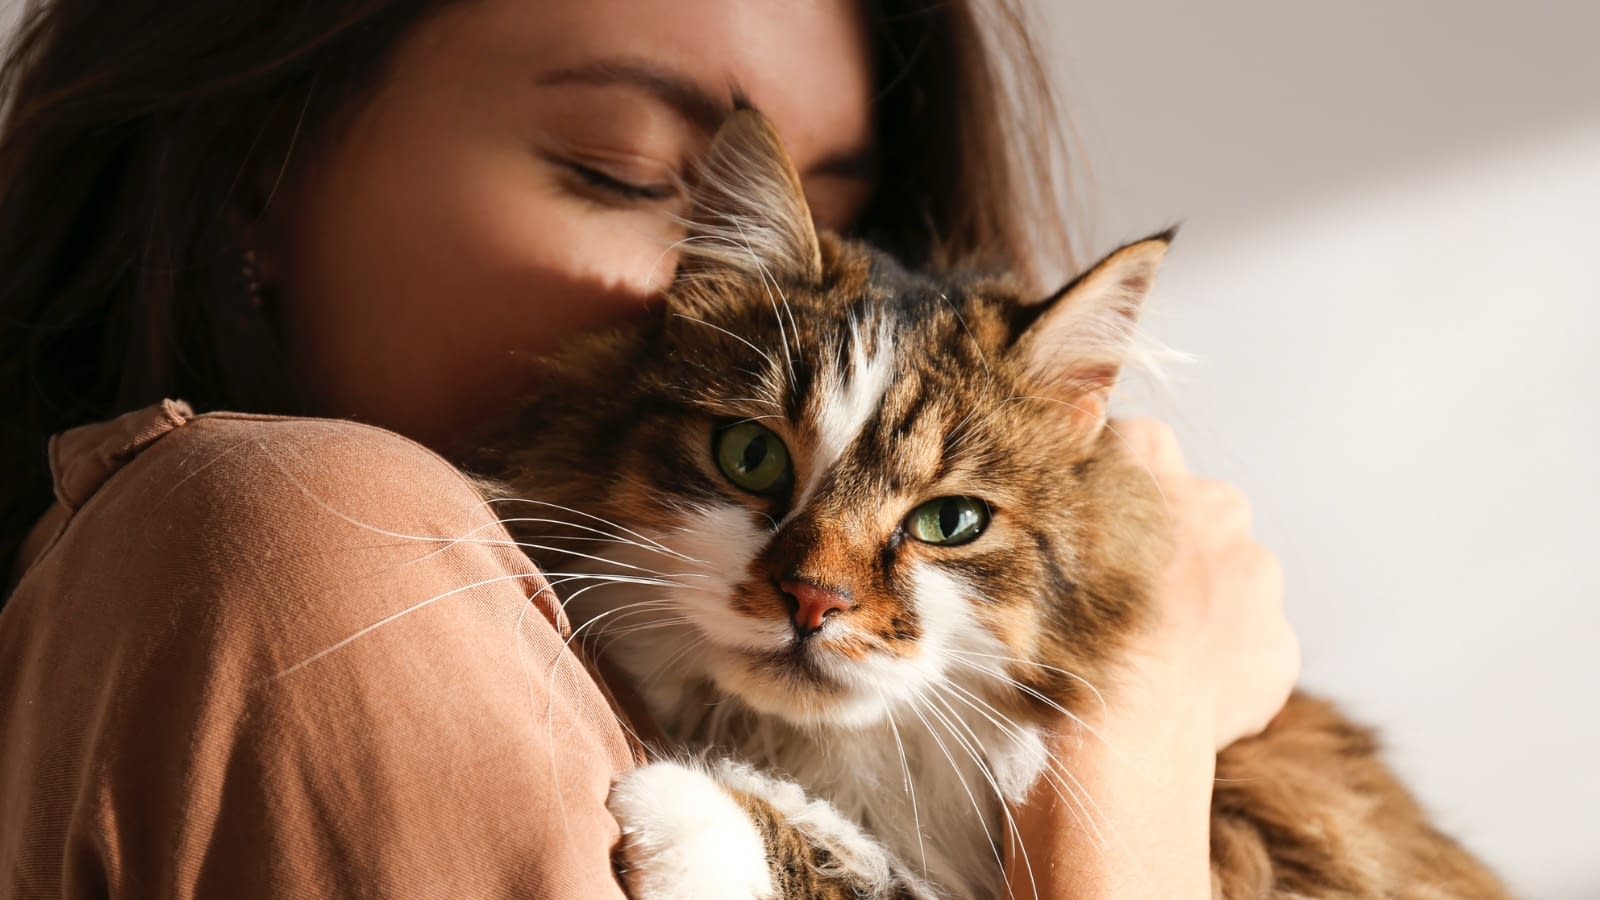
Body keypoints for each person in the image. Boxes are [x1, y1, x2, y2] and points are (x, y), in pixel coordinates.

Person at [0, 0, 1299, 897]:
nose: (735, 293)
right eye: (626, 172)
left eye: (840, 214)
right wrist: (1132, 749)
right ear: (252, 175)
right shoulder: (313, 537)